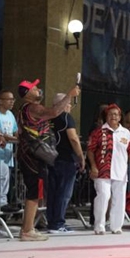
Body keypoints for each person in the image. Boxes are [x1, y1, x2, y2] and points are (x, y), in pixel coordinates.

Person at [16, 79, 80, 241]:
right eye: (35, 88)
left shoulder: (24, 109)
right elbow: (52, 112)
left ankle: (27, 228)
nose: (39, 90)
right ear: (27, 93)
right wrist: (69, 96)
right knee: (34, 193)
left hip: (30, 156)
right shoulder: (33, 107)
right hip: (34, 158)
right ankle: (27, 231)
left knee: (36, 192)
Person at [87, 105, 130, 234]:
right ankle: (99, 226)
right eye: (111, 114)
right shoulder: (99, 132)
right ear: (106, 116)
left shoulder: (126, 133)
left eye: (116, 114)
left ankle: (116, 226)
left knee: (119, 199)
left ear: (120, 117)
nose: (113, 116)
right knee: (103, 196)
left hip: (120, 171)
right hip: (102, 170)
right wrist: (93, 166)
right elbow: (90, 150)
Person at [46, 93, 86, 233]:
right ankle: (58, 223)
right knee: (64, 193)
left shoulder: (48, 118)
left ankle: (51, 222)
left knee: (53, 192)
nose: (70, 106)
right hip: (66, 159)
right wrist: (81, 157)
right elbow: (73, 139)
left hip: (50, 159)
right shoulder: (66, 117)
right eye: (68, 103)